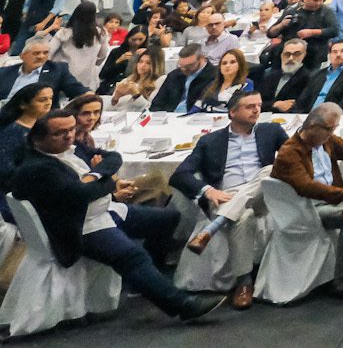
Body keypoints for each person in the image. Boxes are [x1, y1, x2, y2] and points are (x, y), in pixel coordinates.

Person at [9, 110, 222, 321]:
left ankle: (148, 279)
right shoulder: (37, 168)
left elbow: (113, 157)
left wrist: (94, 175)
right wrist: (108, 181)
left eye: (72, 129)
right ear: (38, 139)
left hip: (108, 210)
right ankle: (182, 306)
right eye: (60, 133)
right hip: (79, 225)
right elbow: (80, 195)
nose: (69, 136)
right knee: (132, 256)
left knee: (168, 218)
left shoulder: (70, 147)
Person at [174, 90, 288, 308]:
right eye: (250, 106)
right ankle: (244, 283)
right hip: (226, 197)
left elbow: (296, 157)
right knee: (243, 217)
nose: (256, 110)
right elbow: (180, 174)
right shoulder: (211, 141)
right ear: (232, 113)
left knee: (267, 172)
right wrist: (209, 190)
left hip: (262, 196)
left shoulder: (271, 131)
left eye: (258, 105)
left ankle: (212, 229)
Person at [273, 100, 343, 239]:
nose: (331, 133)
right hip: (307, 207)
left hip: (329, 199)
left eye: (334, 128)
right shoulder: (290, 151)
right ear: (312, 125)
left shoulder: (325, 140)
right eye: (328, 129)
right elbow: (305, 186)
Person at [0, 82, 57, 192]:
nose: (48, 103)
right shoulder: (13, 132)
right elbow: (5, 168)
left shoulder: (45, 125)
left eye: (50, 98)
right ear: (23, 104)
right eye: (42, 100)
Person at [0, 34, 87, 106]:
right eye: (36, 53)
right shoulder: (5, 72)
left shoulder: (57, 70)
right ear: (22, 56)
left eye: (45, 53)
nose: (41, 57)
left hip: (39, 119)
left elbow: (76, 88)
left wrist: (89, 95)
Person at [289, 39, 343, 115]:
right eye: (334, 52)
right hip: (308, 115)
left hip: (333, 117)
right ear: (329, 54)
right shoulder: (317, 74)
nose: (338, 54)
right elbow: (303, 100)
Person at [260, 39, 316, 112]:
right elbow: (258, 103)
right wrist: (275, 105)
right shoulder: (271, 76)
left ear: (304, 55)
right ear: (281, 56)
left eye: (296, 54)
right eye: (287, 54)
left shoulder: (309, 79)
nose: (290, 58)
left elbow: (301, 107)